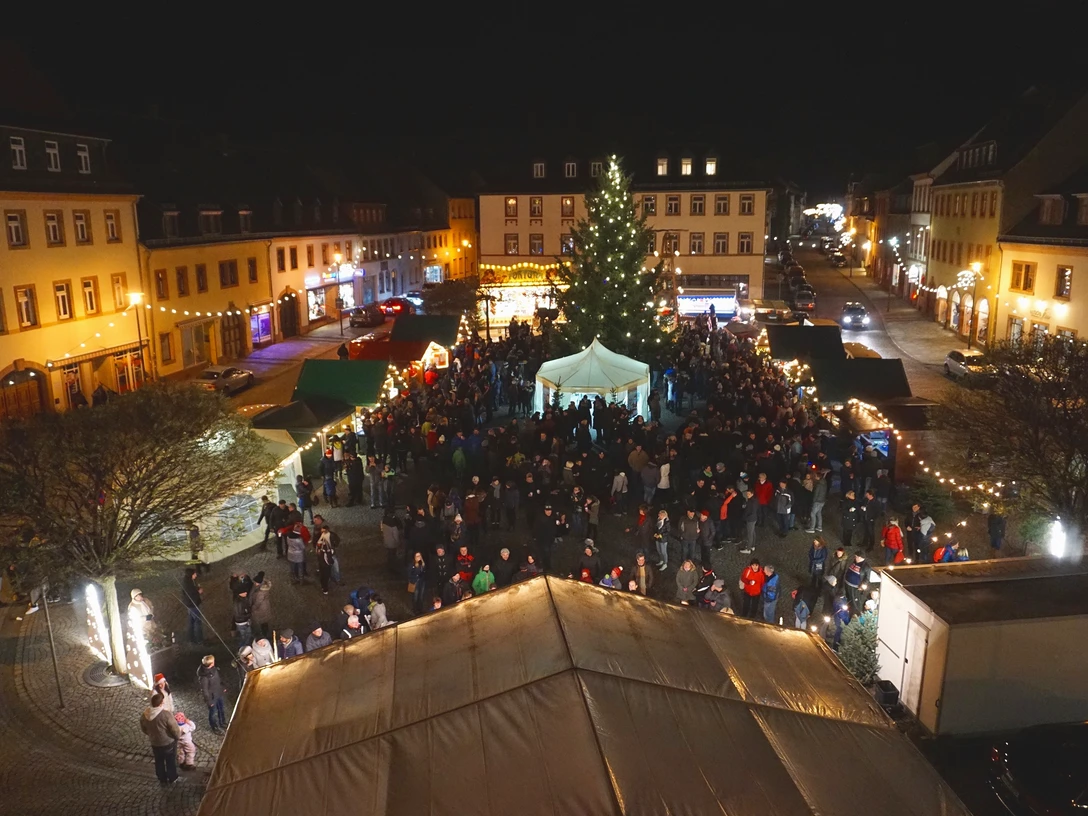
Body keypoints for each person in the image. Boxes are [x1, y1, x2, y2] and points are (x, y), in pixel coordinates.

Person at [140, 691, 181, 786]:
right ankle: (172, 777)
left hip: (155, 743)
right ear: (161, 703)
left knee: (159, 761)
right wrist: (177, 737)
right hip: (168, 743)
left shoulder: (145, 715)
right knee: (170, 760)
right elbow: (174, 729)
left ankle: (161, 778)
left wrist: (151, 734)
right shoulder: (166, 715)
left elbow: (144, 728)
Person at [197, 655, 228, 735]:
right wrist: (209, 701)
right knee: (213, 713)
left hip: (218, 693)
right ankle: (215, 727)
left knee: (221, 708)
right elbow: (205, 690)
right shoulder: (204, 677)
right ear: (210, 664)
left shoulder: (214, 669)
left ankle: (223, 722)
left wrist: (222, 687)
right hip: (212, 697)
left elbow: (219, 679)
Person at [180, 568, 204, 644]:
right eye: (194, 574)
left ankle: (191, 639)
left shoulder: (187, 581)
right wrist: (198, 592)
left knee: (191, 621)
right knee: (197, 622)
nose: (196, 575)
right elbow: (191, 593)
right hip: (193, 604)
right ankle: (199, 640)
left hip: (189, 604)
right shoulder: (188, 583)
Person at [250, 573, 272, 641]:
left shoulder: (260, 593)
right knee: (264, 622)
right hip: (265, 608)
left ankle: (263, 636)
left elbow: (257, 603)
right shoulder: (264, 589)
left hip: (261, 610)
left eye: (256, 582)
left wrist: (252, 608)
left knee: (261, 622)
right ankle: (265, 634)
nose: (255, 583)